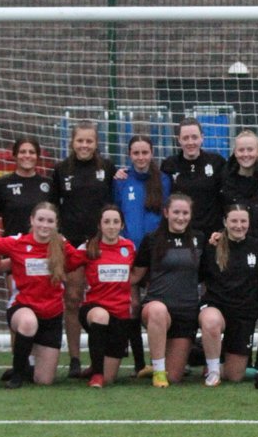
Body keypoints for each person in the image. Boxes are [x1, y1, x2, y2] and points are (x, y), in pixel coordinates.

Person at [0, 202, 86, 388]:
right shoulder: (18, 242)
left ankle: (27, 369)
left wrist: (92, 246)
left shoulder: (62, 246)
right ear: (32, 220)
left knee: (44, 381)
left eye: (50, 221)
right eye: (40, 219)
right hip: (22, 308)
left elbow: (79, 259)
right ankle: (17, 374)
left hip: (51, 315)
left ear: (56, 224)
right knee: (28, 322)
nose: (44, 224)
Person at [52, 122, 115, 378]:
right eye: (80, 141)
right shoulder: (61, 170)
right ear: (72, 142)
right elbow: (53, 207)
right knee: (73, 298)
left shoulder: (108, 168)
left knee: (105, 298)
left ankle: (104, 355)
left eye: (89, 141)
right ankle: (76, 358)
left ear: (96, 143)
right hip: (73, 242)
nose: (85, 145)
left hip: (101, 243)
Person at [130, 193, 205, 387]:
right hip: (157, 308)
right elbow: (135, 277)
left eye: (185, 213)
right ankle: (158, 371)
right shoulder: (152, 239)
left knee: (174, 378)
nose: (181, 217)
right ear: (166, 213)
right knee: (158, 310)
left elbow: (208, 275)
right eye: (176, 212)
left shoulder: (200, 239)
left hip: (186, 313)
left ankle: (158, 368)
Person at [112, 134, 170, 377]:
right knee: (133, 305)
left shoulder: (164, 180)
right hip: (130, 253)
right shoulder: (121, 180)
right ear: (129, 155)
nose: (140, 157)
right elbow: (115, 213)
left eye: (145, 152)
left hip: (157, 251)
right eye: (136, 153)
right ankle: (138, 363)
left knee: (161, 305)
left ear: (152, 154)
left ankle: (164, 358)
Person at [199, 205, 258, 384]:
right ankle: (213, 371)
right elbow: (199, 276)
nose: (239, 225)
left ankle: (205, 355)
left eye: (243, 221)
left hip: (244, 313)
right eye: (234, 221)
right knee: (211, 321)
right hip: (217, 306)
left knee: (235, 376)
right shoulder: (211, 246)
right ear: (225, 222)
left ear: (249, 222)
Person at [79, 205, 138, 388]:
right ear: (99, 225)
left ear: (122, 225)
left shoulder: (129, 247)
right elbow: (67, 265)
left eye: (115, 222)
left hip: (120, 315)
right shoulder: (88, 247)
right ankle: (96, 374)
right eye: (106, 222)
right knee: (100, 316)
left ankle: (96, 368)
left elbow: (136, 274)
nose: (111, 226)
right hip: (94, 309)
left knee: (109, 378)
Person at [160, 117, 227, 242]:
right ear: (179, 140)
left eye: (194, 137)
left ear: (202, 137)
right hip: (181, 233)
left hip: (212, 235)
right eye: (185, 138)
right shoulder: (169, 164)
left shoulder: (217, 162)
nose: (190, 142)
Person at [219, 129, 258, 238]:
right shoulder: (226, 181)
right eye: (241, 150)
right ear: (235, 153)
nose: (245, 154)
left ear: (257, 152)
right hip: (236, 246)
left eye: (250, 149)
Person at [0, 137, 52, 237]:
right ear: (15, 156)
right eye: (22, 152)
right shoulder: (2, 184)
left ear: (37, 156)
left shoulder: (49, 184)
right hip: (12, 247)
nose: (27, 155)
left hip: (41, 248)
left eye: (31, 152)